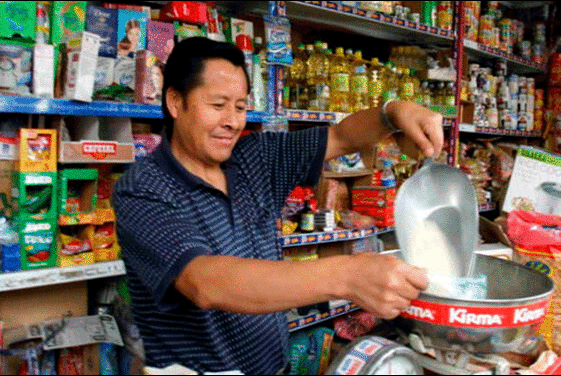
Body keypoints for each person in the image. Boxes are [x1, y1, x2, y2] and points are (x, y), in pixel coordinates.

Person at [113, 37, 444, 375]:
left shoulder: (255, 157)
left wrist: (394, 113)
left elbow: (343, 136)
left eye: (240, 107)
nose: (232, 121)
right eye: (218, 105)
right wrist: (347, 275)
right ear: (175, 102)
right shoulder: (143, 188)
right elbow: (205, 283)